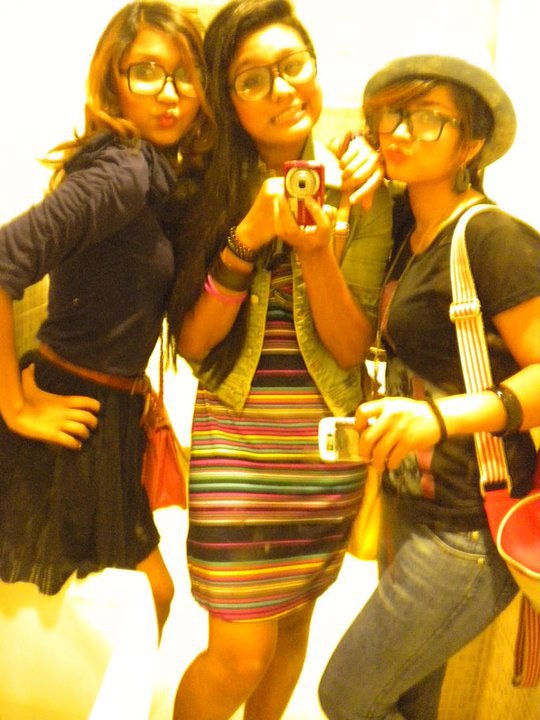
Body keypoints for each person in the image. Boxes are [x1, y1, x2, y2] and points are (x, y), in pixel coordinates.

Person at [167, 1, 392, 718]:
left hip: (323, 449)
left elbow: (350, 347)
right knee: (238, 654)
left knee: (294, 620)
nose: (282, 89)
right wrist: (248, 235)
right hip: (236, 442)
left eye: (293, 66)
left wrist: (316, 250)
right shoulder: (200, 189)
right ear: (228, 98)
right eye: (253, 78)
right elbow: (193, 344)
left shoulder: (367, 189)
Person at [318, 54, 540, 719]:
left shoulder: (492, 238)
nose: (399, 130)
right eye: (390, 114)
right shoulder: (407, 233)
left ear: (470, 143)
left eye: (427, 117)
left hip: (469, 527)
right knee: (408, 702)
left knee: (345, 696)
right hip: (409, 507)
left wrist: (439, 419)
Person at [0, 1, 214, 637]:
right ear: (112, 80)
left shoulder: (156, 175)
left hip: (106, 411)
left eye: (185, 75)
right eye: (146, 71)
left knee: (88, 616)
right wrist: (14, 404)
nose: (170, 93)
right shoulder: (123, 172)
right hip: (72, 412)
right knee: (126, 602)